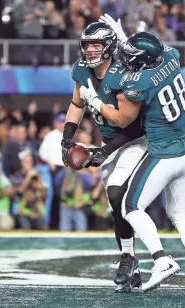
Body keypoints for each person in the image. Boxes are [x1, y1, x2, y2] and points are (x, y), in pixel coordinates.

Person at [81, 16, 185, 295]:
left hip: (165, 151)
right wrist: (125, 36)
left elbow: (119, 119)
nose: (125, 59)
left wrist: (93, 101)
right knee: (181, 216)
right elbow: (151, 49)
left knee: (130, 206)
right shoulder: (171, 58)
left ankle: (161, 260)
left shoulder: (138, 82)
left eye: (130, 57)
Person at [61, 21, 146, 292]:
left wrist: (104, 151)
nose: (90, 51)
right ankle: (131, 266)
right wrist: (67, 137)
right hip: (110, 142)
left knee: (116, 192)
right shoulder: (82, 71)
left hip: (136, 140)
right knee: (115, 208)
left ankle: (131, 258)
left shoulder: (122, 75)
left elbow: (129, 124)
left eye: (96, 45)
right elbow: (77, 104)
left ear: (109, 46)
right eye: (86, 45)